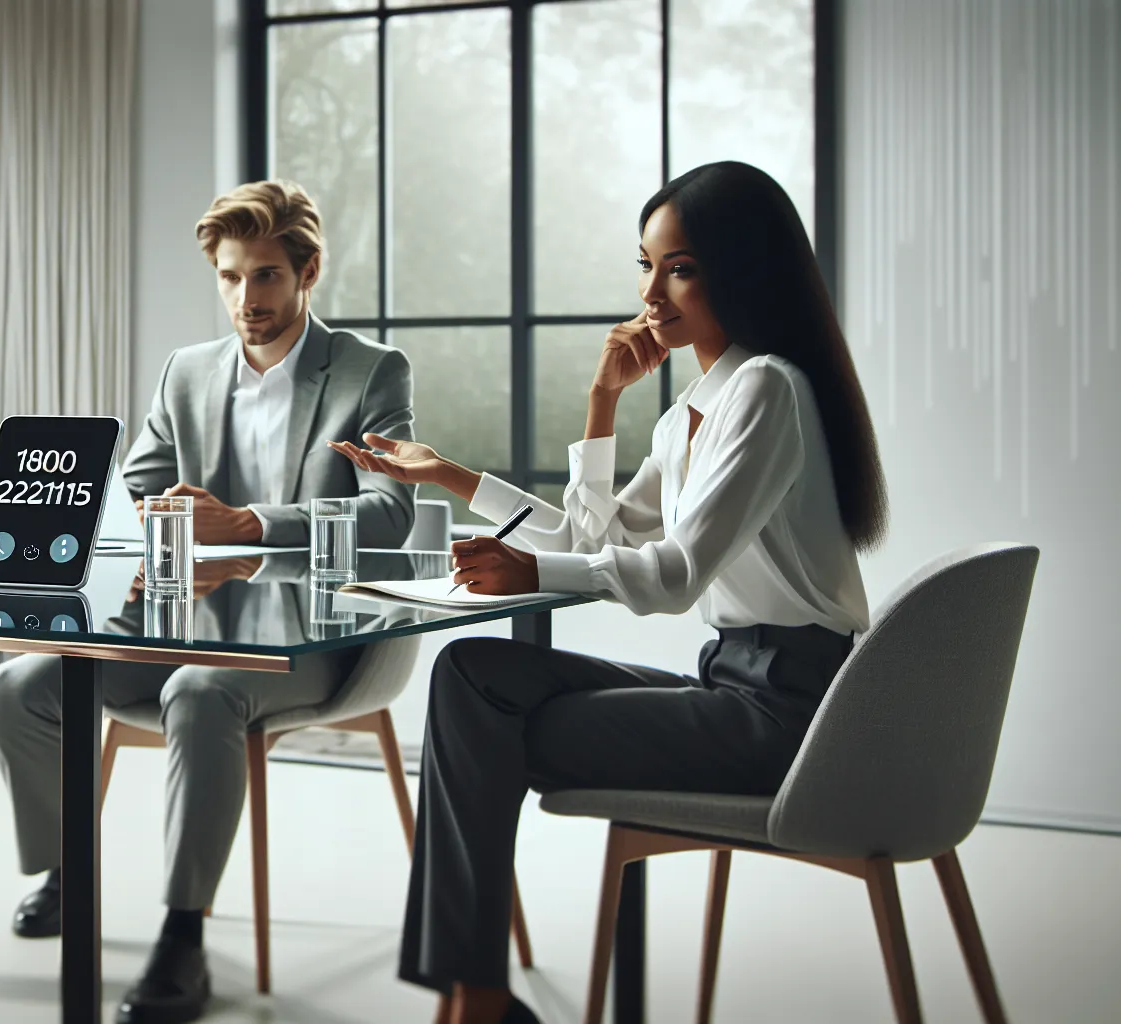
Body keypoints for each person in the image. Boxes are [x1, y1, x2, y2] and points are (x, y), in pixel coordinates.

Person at [333, 161, 888, 1024]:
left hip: (793, 714)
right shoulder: (694, 411)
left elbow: (672, 575)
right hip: (736, 686)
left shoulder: (767, 390)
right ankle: (475, 989)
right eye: (646, 265)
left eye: (681, 267)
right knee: (476, 679)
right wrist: (575, 416)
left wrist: (532, 571)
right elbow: (591, 540)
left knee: (490, 720)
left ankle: (473, 998)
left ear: (740, 271)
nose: (652, 292)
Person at [0, 179, 415, 1023]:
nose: (244, 299)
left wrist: (249, 522)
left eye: (264, 277)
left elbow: (390, 512)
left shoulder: (368, 371)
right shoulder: (188, 371)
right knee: (18, 685)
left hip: (319, 641)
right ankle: (67, 871)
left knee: (200, 690)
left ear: (306, 272)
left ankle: (182, 932)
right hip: (184, 622)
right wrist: (136, 511)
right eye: (229, 277)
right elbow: (133, 486)